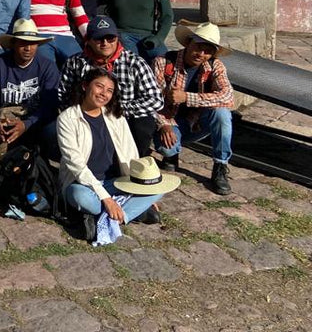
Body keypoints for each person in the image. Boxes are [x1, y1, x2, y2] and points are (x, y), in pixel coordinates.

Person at [58, 67, 178, 242]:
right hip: (83, 184)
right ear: (85, 86)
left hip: (114, 182)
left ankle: (108, 218)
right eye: (99, 87)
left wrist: (142, 187)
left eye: (109, 91)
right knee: (81, 198)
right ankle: (131, 212)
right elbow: (75, 164)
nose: (103, 94)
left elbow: (130, 151)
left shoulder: (115, 116)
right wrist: (106, 199)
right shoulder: (68, 119)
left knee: (158, 189)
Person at [58, 16, 163, 161]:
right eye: (99, 39)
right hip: (87, 117)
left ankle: (137, 161)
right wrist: (82, 112)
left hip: (124, 116)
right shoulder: (75, 63)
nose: (105, 43)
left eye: (110, 38)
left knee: (144, 123)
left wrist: (119, 109)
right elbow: (63, 94)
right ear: (88, 40)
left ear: (117, 39)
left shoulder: (135, 62)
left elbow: (156, 100)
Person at [154, 22, 235, 195]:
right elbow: (151, 99)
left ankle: (220, 166)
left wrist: (186, 97)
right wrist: (163, 124)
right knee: (166, 146)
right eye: (198, 47)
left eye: (208, 51)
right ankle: (171, 155)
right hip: (171, 120)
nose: (201, 54)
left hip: (198, 121)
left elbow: (228, 96)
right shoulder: (164, 62)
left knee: (222, 114)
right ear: (188, 42)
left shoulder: (215, 66)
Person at [0, 19, 60, 156]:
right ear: (13, 44)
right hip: (3, 119)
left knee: (54, 129)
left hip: (35, 118)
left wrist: (26, 124)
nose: (28, 48)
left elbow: (50, 105)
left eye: (32, 44)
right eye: (23, 43)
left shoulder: (48, 67)